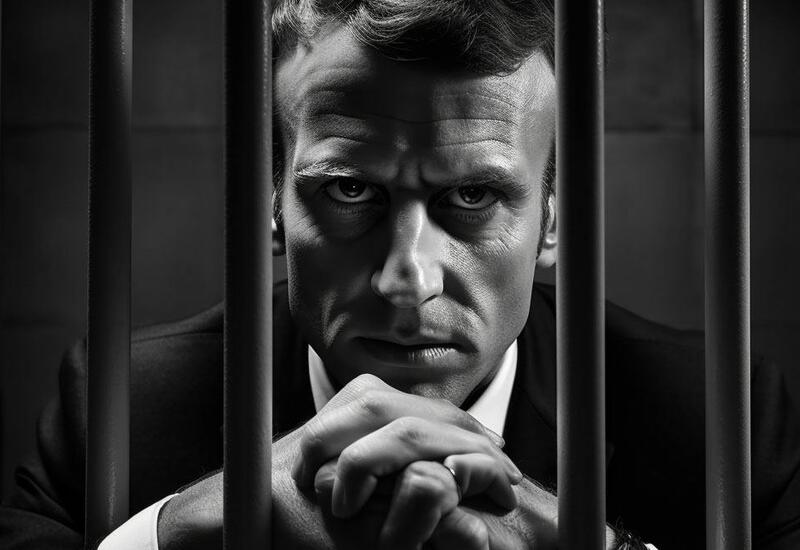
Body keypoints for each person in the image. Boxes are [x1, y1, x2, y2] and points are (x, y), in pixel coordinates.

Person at [2, 1, 800, 549]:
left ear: (554, 219)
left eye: (474, 196)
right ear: (270, 203)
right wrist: (177, 529)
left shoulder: (718, 421)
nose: (408, 280)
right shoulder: (123, 406)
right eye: (349, 191)